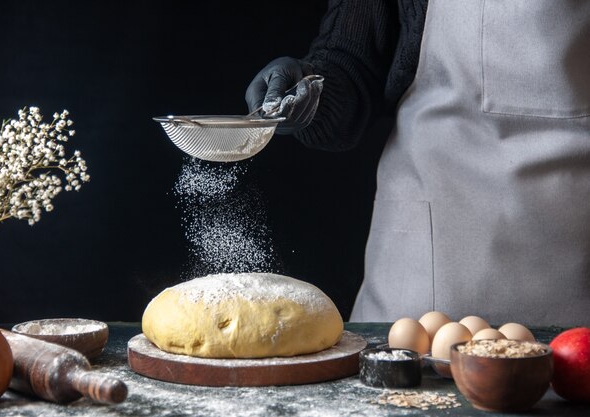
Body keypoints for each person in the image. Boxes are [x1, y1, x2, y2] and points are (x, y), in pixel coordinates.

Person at [245, 0, 590, 327]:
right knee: (405, 385)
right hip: (432, 245)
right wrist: (311, 91)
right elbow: (354, 61)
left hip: (578, 237)